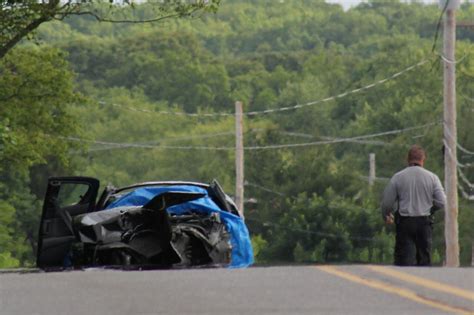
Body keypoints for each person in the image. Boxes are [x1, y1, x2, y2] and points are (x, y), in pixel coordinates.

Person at [381, 145, 446, 266]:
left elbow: (387, 203)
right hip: (424, 222)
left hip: (405, 222)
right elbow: (442, 201)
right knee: (424, 259)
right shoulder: (432, 177)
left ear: (408, 159)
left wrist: (386, 215)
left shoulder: (398, 177)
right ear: (423, 159)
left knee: (403, 260)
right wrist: (431, 209)